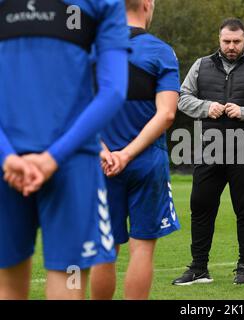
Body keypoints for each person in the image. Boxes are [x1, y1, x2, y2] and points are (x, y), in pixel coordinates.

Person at [0, 0, 129, 299]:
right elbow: (113, 90)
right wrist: (52, 158)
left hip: (7, 163)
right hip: (73, 162)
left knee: (7, 286)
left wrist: (7, 155)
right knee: (69, 281)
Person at [173, 18, 244, 285]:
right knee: (200, 207)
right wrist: (205, 108)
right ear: (219, 39)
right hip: (209, 150)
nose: (231, 46)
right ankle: (199, 268)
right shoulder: (200, 65)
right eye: (227, 41)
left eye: (236, 41)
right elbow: (182, 97)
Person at [90, 0, 181, 300]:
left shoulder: (93, 49)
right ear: (146, 5)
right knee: (142, 249)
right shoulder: (161, 51)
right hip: (147, 162)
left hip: (101, 163)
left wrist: (104, 150)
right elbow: (167, 114)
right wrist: (128, 154)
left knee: (105, 250)